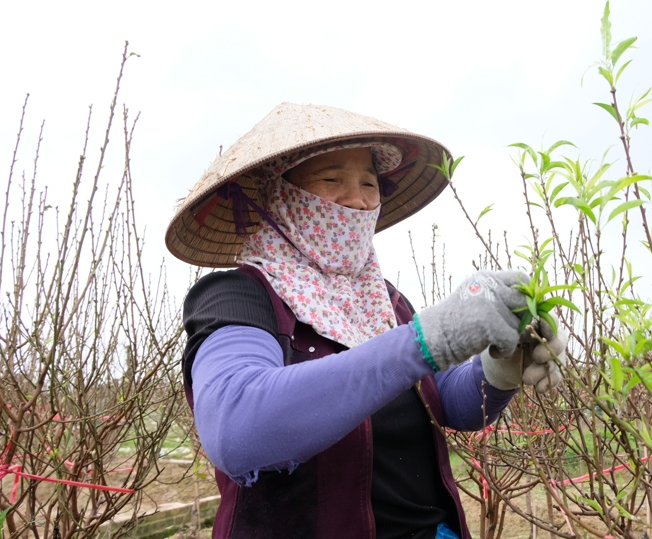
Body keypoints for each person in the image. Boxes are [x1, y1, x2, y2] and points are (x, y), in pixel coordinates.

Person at [165, 103, 565, 539]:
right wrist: (427, 340)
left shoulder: (383, 300)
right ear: (276, 196)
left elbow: (443, 400)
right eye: (331, 180)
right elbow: (237, 429)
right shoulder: (241, 295)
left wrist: (496, 373)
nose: (356, 200)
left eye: (369, 184)